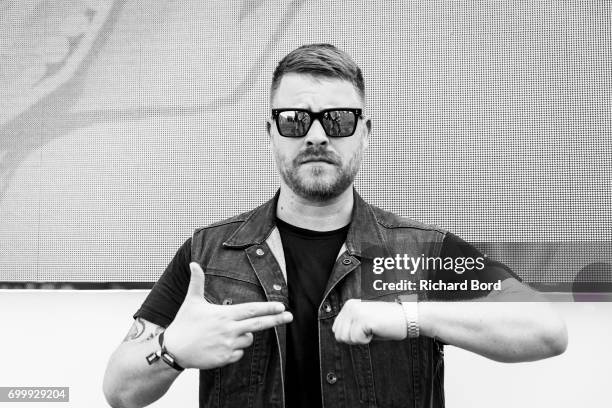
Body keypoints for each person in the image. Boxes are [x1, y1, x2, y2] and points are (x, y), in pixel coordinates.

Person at [103, 43, 567, 408]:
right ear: (270, 132)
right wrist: (172, 350)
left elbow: (546, 331)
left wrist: (409, 316)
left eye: (339, 119)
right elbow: (119, 391)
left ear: (366, 132)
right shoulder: (207, 253)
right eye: (295, 120)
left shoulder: (424, 251)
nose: (317, 135)